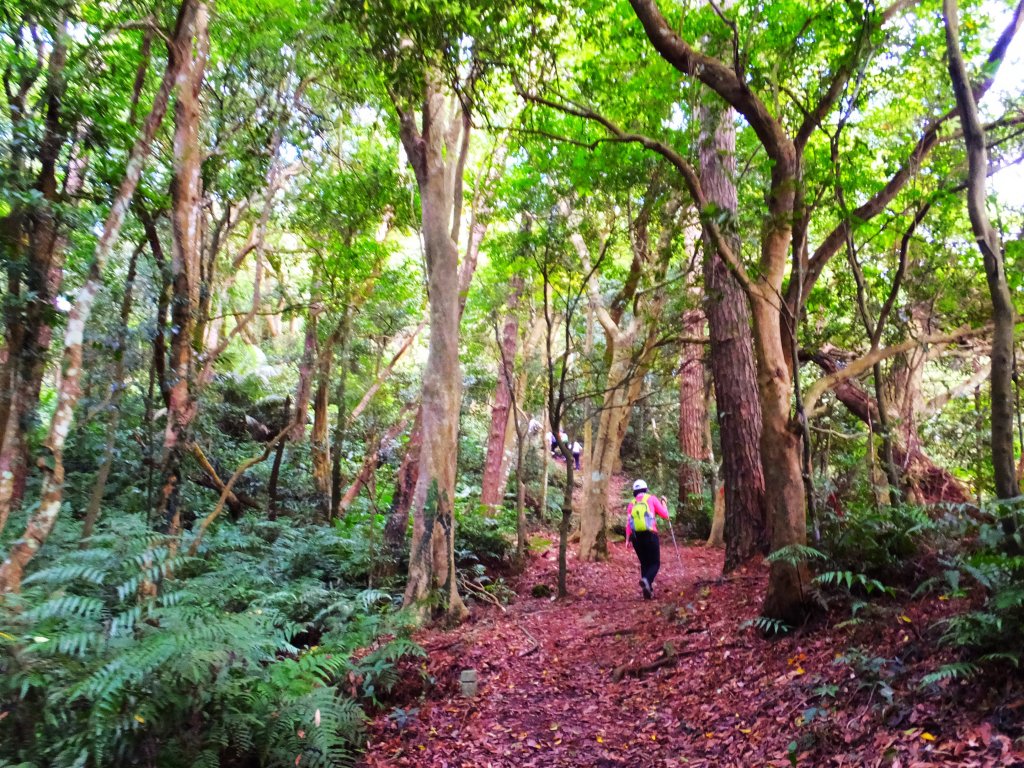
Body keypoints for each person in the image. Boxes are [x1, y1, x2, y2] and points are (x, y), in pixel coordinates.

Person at [625, 479, 670, 599]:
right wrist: (664, 502)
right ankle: (646, 580)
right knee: (655, 563)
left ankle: (647, 591)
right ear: (645, 489)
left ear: (634, 492)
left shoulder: (631, 503)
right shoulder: (651, 499)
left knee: (644, 563)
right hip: (650, 534)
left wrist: (627, 539)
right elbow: (665, 515)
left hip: (636, 538)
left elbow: (629, 522)